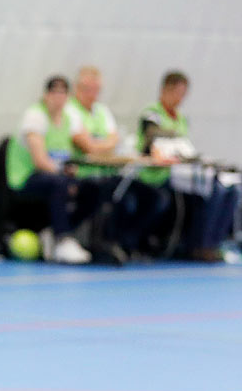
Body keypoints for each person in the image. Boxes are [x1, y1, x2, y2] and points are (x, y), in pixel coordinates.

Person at [67, 65, 168, 262]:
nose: (93, 94)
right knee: (118, 198)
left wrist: (100, 144)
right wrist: (102, 145)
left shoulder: (101, 111)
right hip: (84, 175)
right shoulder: (70, 111)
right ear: (77, 88)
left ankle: (127, 243)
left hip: (109, 173)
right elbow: (88, 146)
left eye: (96, 89)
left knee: (154, 198)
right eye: (88, 89)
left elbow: (114, 140)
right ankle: (102, 243)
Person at [138, 71, 239, 263]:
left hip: (181, 172)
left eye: (183, 94)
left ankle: (211, 243)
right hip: (157, 174)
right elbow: (151, 137)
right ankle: (198, 246)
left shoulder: (182, 118)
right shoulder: (151, 113)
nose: (180, 98)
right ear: (164, 90)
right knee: (212, 190)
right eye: (176, 93)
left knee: (228, 189)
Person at [6, 75, 96, 265]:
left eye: (63, 93)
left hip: (56, 176)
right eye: (54, 92)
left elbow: (87, 147)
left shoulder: (69, 117)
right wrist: (66, 177)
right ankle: (62, 239)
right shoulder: (35, 117)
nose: (58, 97)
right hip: (26, 178)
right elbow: (40, 161)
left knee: (94, 188)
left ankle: (54, 232)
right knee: (60, 183)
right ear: (46, 95)